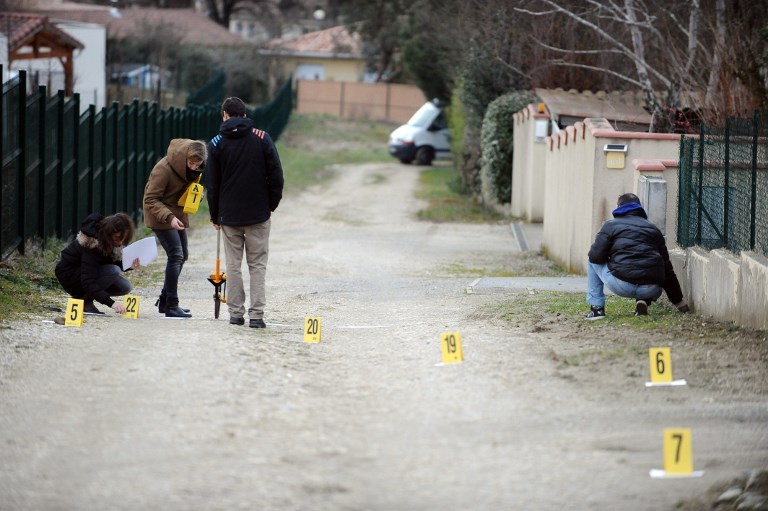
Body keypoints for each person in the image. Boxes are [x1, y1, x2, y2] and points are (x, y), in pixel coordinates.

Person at [206, 97, 284, 328]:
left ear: (225, 115)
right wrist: (271, 204)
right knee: (257, 264)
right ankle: (257, 316)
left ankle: (236, 313)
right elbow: (277, 176)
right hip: (258, 213)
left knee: (233, 265)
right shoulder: (262, 138)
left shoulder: (217, 143)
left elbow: (213, 185)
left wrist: (215, 215)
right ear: (245, 115)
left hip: (229, 215)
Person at [585, 193, 690, 320]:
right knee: (648, 267)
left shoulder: (610, 225)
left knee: (592, 261)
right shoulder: (654, 229)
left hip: (621, 285)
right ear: (639, 208)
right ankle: (643, 301)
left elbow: (595, 256)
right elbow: (667, 269)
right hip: (652, 289)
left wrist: (611, 257)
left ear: (619, 207)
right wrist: (678, 301)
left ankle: (597, 309)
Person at [143, 138, 207, 318]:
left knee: (183, 255)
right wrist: (169, 217)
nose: (194, 167)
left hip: (176, 215)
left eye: (198, 164)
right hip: (160, 216)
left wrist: (194, 196)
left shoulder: (193, 170)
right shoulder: (163, 169)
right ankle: (172, 304)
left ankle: (164, 301)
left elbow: (181, 192)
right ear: (184, 157)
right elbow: (150, 199)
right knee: (176, 255)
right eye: (192, 163)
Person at [55, 212, 140, 315]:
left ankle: (84, 298)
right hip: (69, 275)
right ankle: (85, 300)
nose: (120, 243)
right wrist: (112, 304)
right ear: (108, 234)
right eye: (117, 238)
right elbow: (87, 281)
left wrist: (129, 266)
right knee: (113, 271)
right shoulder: (92, 245)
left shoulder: (107, 241)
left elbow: (107, 261)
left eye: (123, 238)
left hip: (87, 273)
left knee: (125, 286)